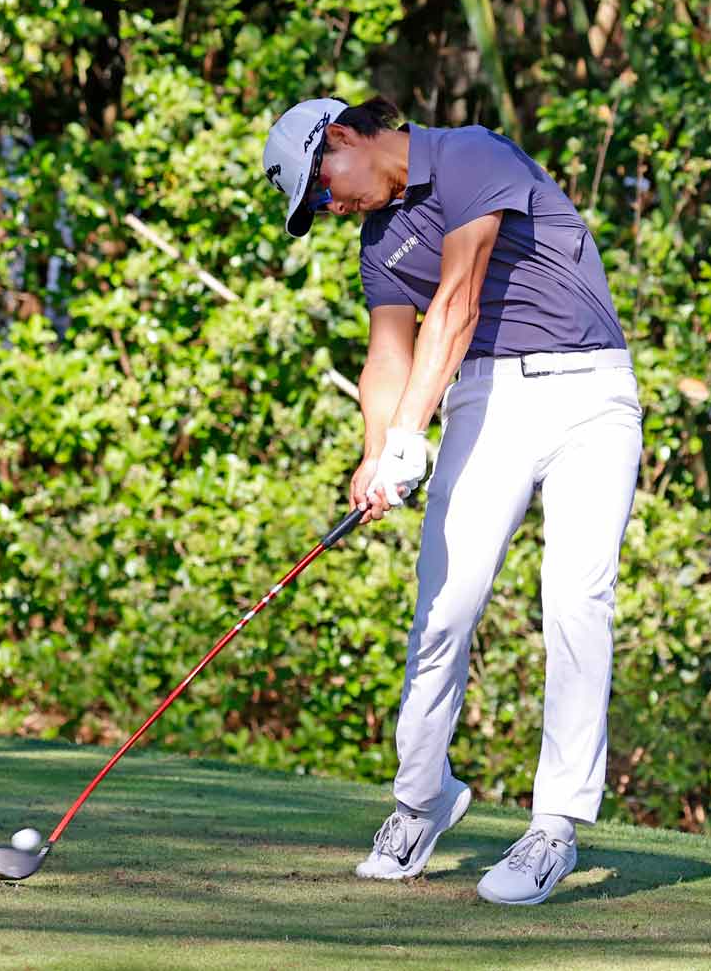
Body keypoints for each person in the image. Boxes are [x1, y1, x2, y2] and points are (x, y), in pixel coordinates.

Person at [261, 96, 642, 904]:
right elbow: (387, 357)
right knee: (443, 608)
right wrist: (378, 456)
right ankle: (421, 797)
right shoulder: (380, 243)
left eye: (322, 187)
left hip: (590, 396)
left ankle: (553, 828)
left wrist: (410, 435)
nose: (331, 208)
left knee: (576, 601)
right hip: (486, 402)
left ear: (341, 138)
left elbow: (459, 302)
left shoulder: (471, 155)